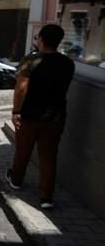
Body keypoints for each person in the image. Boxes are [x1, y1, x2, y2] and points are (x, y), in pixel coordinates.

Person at [7, 24, 74, 209]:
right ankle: (46, 196)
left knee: (23, 151)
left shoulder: (31, 60)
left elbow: (21, 88)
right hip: (55, 116)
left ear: (41, 39)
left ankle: (16, 180)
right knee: (48, 157)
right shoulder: (68, 63)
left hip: (30, 114)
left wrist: (15, 111)